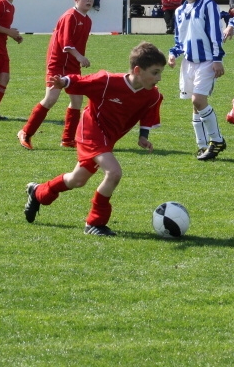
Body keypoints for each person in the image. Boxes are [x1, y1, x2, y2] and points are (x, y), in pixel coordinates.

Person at [23, 42, 166, 236]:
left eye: (160, 73)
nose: (159, 78)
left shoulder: (153, 96)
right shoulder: (108, 81)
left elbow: (148, 114)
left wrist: (143, 136)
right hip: (91, 131)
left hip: (108, 139)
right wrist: (63, 81)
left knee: (77, 180)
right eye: (155, 72)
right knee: (114, 172)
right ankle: (95, 223)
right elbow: (82, 81)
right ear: (138, 70)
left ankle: (39, 192)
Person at [18, 0, 96, 150]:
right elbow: (66, 44)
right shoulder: (70, 16)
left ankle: (67, 139)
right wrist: (80, 57)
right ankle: (25, 132)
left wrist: (78, 59)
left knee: (77, 100)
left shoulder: (87, 20)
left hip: (73, 65)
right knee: (51, 98)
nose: (88, 0)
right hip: (58, 63)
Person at [167, 0, 227, 161]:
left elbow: (216, 34)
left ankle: (217, 140)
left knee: (198, 101)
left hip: (207, 61)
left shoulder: (208, 5)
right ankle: (202, 146)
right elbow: (180, 39)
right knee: (194, 106)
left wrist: (218, 59)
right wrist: (173, 53)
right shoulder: (179, 11)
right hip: (189, 63)